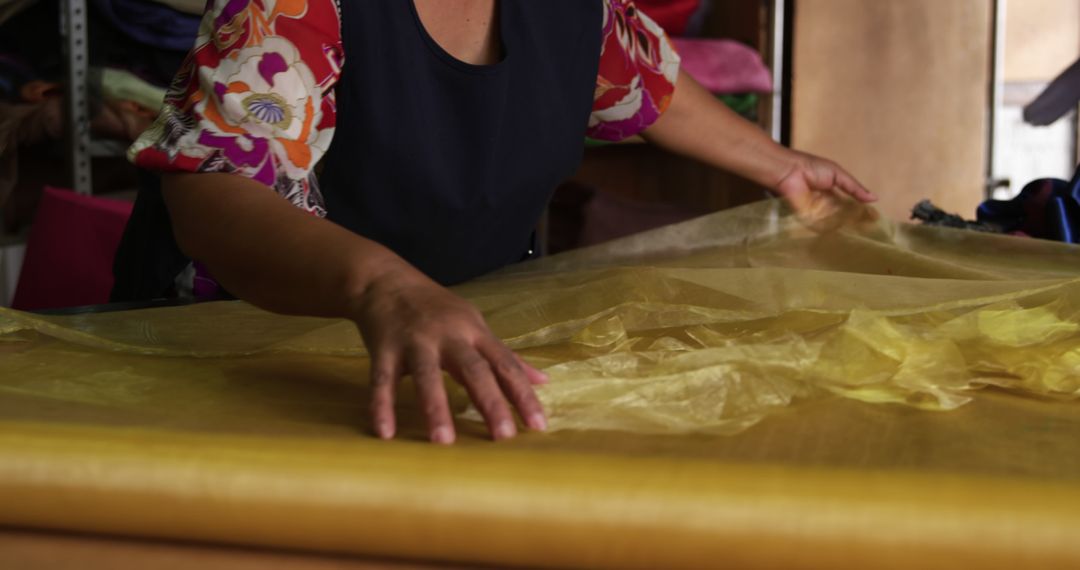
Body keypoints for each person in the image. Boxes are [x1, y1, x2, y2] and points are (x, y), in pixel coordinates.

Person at [118, 0, 876, 445]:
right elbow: (215, 190)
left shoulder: (574, 9)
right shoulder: (295, 7)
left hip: (442, 343)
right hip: (241, 355)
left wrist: (781, 167)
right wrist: (380, 285)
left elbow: (642, 81)